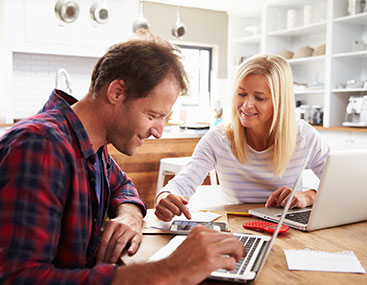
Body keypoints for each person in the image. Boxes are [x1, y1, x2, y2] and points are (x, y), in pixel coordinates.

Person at [0, 31, 245, 284]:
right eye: (152, 115)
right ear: (117, 92)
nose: (158, 132)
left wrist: (130, 214)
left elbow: (123, 185)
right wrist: (169, 271)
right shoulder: (40, 146)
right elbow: (19, 278)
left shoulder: (91, 145)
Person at [155, 54, 330, 222]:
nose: (246, 105)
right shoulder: (219, 138)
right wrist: (165, 196)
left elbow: (341, 188)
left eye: (260, 98)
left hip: (287, 230)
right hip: (237, 228)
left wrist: (308, 196)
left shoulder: (304, 136)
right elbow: (182, 183)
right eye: (242, 94)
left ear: (280, 102)